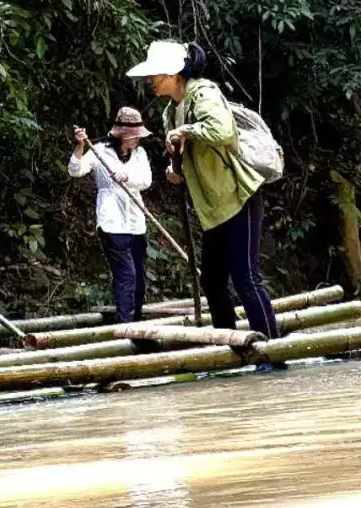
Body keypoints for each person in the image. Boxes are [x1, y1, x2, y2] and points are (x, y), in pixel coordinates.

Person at [126, 40, 279, 342]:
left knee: (246, 277)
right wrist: (174, 169)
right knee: (211, 280)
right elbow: (188, 156)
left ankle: (270, 351)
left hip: (239, 196)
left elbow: (221, 131)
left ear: (173, 74)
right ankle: (231, 346)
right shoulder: (171, 111)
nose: (150, 81)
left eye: (155, 74)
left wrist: (187, 131)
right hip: (212, 206)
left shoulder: (204, 94)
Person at [69, 106, 153, 322]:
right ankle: (126, 326)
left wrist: (124, 176)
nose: (136, 140)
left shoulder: (140, 154)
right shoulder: (99, 151)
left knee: (140, 278)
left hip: (135, 220)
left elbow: (145, 180)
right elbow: (75, 170)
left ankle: (137, 321)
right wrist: (80, 146)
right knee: (126, 274)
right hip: (111, 222)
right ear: (121, 136)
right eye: (133, 137)